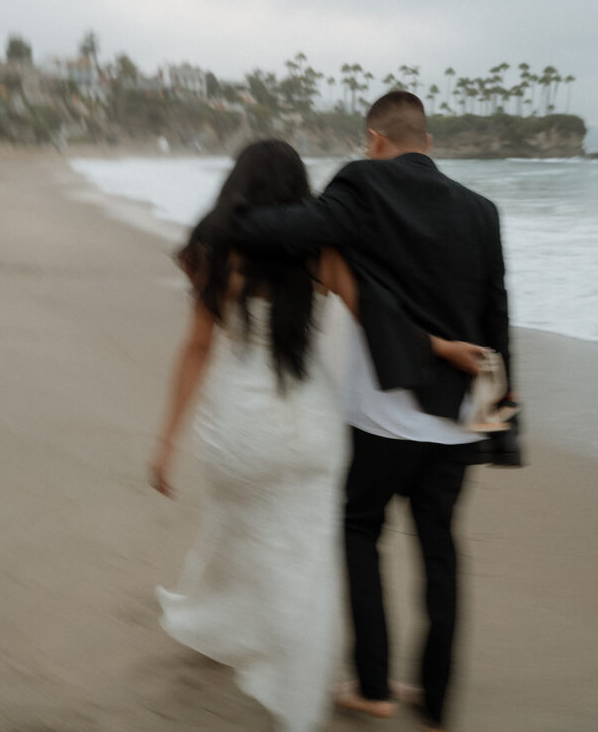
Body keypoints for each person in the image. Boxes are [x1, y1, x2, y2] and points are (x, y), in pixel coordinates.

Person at [149, 139, 486, 732]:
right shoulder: (320, 252)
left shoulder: (213, 249)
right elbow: (380, 317)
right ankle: (296, 677)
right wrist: (441, 347)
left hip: (242, 427)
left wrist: (166, 442)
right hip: (311, 427)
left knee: (238, 530)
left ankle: (236, 634)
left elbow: (198, 348)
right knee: (304, 558)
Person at [231, 93, 514, 731]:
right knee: (440, 550)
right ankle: (436, 700)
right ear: (429, 142)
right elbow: (497, 317)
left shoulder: (363, 184)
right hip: (457, 422)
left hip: (379, 418)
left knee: (359, 532)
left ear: (374, 139)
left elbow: (293, 229)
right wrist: (502, 426)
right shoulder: (482, 212)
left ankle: (376, 684)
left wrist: (231, 221)